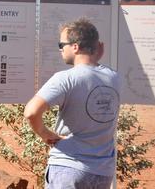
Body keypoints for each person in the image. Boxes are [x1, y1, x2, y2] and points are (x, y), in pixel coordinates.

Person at [24, 18, 121, 188]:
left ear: (75, 47)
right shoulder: (114, 77)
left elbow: (31, 112)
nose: (60, 50)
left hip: (68, 168)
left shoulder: (66, 78)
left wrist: (45, 134)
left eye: (62, 45)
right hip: (102, 172)